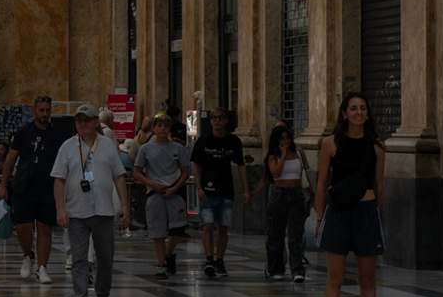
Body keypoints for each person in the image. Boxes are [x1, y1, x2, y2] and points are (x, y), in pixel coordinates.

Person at [316, 91, 385, 297]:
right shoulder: (330, 143)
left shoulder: (377, 146)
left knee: (367, 278)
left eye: (363, 108)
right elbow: (322, 183)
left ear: (367, 113)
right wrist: (320, 216)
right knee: (335, 277)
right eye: (353, 108)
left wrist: (377, 215)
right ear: (344, 113)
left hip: (366, 212)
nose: (359, 112)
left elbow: (379, 185)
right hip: (339, 213)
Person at [52, 105, 131, 297]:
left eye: (87, 120)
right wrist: (60, 209)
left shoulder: (107, 146)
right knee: (79, 258)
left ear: (97, 122)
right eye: (79, 121)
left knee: (105, 257)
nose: (83, 124)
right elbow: (58, 179)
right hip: (77, 210)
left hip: (103, 210)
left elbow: (119, 176)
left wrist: (124, 206)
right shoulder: (67, 147)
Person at [0, 96, 67, 284]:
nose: (45, 114)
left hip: (48, 188)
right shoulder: (23, 132)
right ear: (34, 111)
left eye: (47, 110)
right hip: (24, 187)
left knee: (45, 228)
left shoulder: (58, 134)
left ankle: (42, 268)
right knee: (23, 226)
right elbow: (11, 159)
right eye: (41, 110)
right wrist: (3, 185)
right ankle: (28, 255)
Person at [191, 107, 252, 278]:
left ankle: (220, 260)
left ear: (226, 121)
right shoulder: (203, 141)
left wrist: (246, 189)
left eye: (220, 118)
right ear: (210, 121)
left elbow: (240, 165)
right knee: (208, 225)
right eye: (214, 118)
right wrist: (199, 186)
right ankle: (209, 258)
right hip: (207, 189)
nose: (217, 120)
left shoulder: (233, 141)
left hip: (226, 189)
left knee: (223, 227)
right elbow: (197, 166)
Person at [131, 113, 193, 278]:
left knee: (178, 228)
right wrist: (150, 183)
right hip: (154, 191)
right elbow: (137, 171)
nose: (163, 129)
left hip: (174, 191)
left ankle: (169, 252)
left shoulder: (178, 148)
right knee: (158, 230)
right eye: (160, 126)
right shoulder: (146, 149)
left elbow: (185, 172)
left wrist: (175, 188)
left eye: (166, 126)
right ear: (154, 128)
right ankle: (161, 263)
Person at [258, 124, 309, 282]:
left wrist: (310, 193)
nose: (285, 141)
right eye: (282, 138)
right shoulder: (273, 156)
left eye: (287, 138)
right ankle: (275, 268)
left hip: (295, 194)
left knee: (295, 235)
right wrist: (283, 154)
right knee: (275, 233)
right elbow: (275, 173)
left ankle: (297, 270)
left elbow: (304, 174)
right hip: (279, 194)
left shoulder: (298, 153)